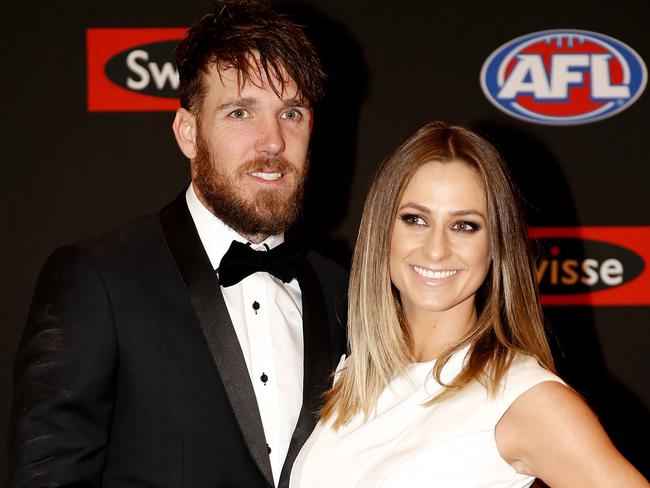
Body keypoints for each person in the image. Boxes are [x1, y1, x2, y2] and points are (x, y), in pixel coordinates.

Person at [8, 1, 347, 486]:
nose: (272, 140)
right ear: (188, 133)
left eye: (291, 112)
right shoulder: (99, 278)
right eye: (239, 112)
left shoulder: (342, 291)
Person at [290, 122, 648, 487]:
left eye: (464, 226)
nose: (435, 248)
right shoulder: (353, 378)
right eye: (415, 220)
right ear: (383, 231)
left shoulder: (524, 398)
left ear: (497, 244)